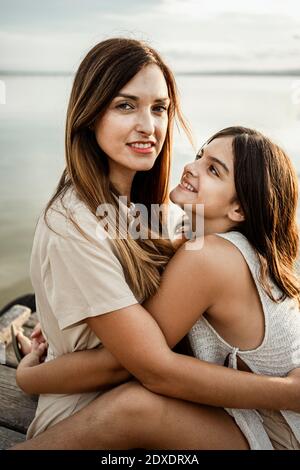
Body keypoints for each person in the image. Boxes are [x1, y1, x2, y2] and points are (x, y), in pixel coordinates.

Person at [13, 121, 300, 449]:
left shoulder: (210, 257)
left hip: (281, 433)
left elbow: (127, 364)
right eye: (199, 156)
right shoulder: (205, 243)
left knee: (135, 406)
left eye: (214, 170)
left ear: (239, 208)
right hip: (255, 412)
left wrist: (29, 377)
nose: (191, 168)